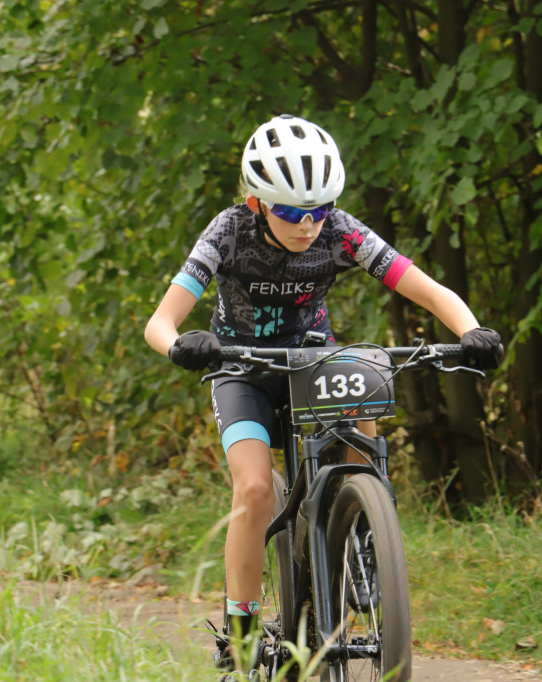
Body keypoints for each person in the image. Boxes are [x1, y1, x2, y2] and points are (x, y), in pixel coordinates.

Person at [144, 113, 502, 673]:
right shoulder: (228, 231)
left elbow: (427, 289)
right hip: (243, 368)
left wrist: (470, 330)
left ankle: (363, 531)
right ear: (258, 202)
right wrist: (180, 345)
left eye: (319, 209)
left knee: (364, 376)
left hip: (313, 360)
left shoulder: (341, 231)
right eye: (290, 211)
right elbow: (160, 322)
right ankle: (240, 623)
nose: (308, 225)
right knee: (257, 489)